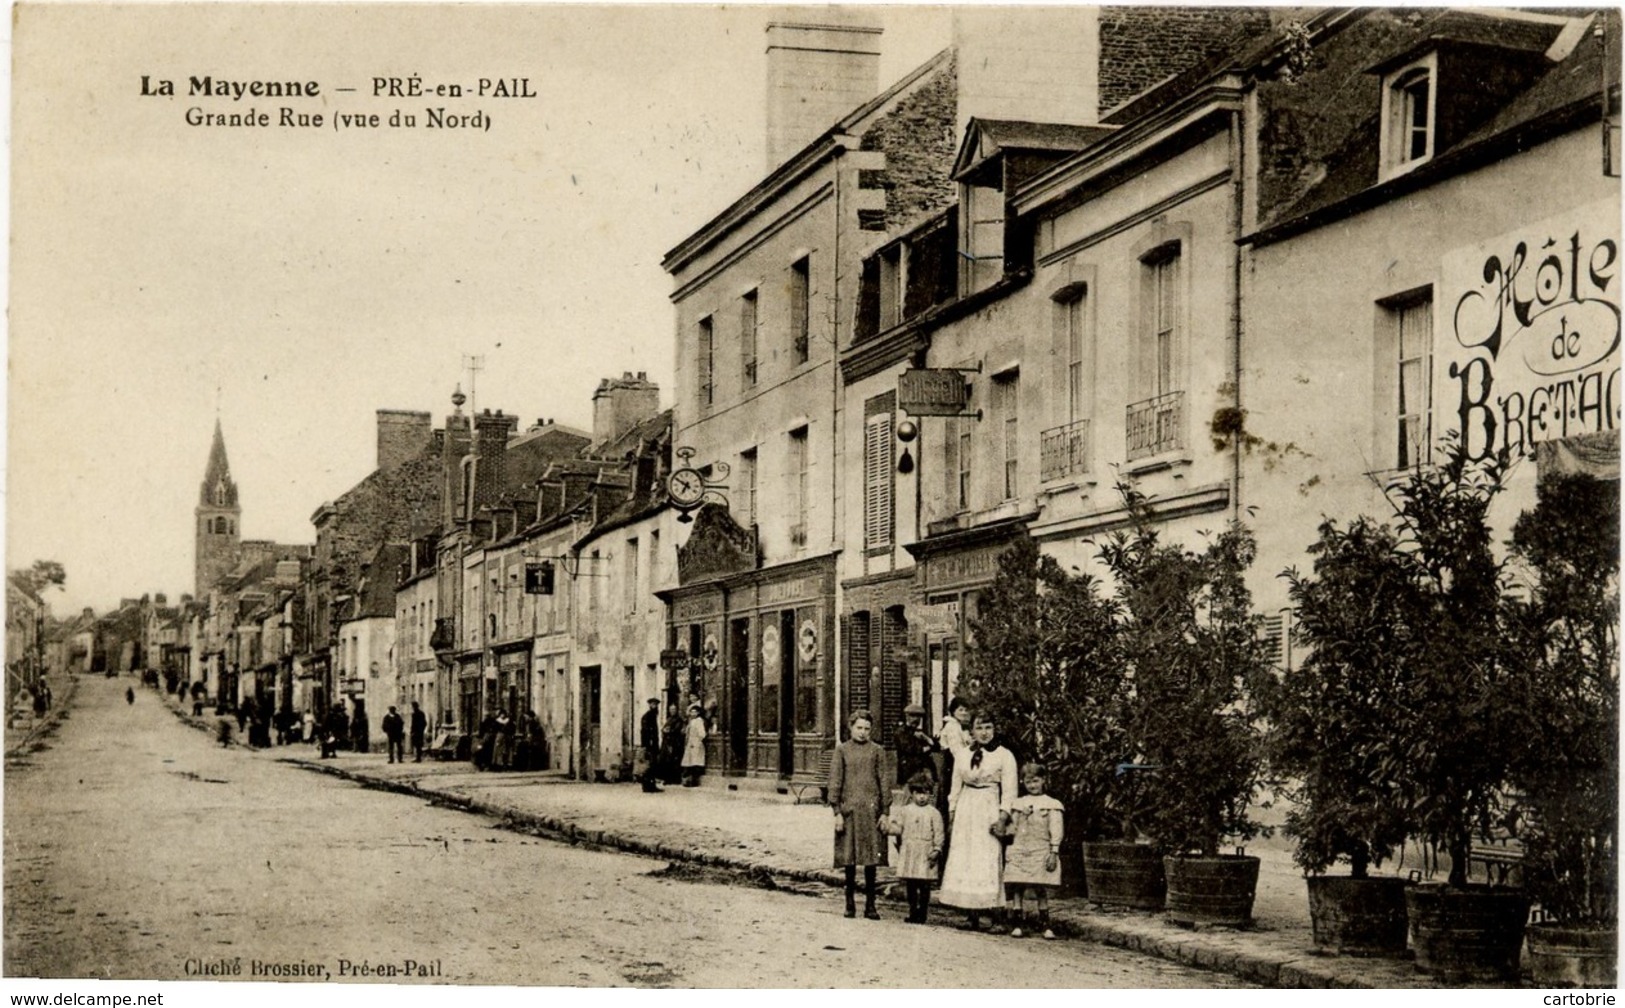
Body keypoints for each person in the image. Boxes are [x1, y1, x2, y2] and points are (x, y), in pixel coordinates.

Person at [939, 712, 1018, 931]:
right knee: (966, 858)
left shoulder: (1004, 755)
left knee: (988, 857)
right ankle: (971, 914)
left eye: (988, 727)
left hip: (988, 806)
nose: (984, 733)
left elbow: (1010, 790)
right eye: (980, 728)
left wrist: (1002, 817)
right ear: (971, 730)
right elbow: (955, 787)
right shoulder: (963, 755)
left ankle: (996, 916)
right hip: (966, 808)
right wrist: (952, 816)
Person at [828, 709, 890, 919]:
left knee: (871, 859)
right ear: (851, 728)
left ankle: (871, 905)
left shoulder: (877, 751)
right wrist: (836, 811)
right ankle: (849, 903)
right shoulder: (842, 751)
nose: (863, 732)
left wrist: (885, 812)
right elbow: (835, 782)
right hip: (849, 812)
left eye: (867, 729)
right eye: (859, 728)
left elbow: (884, 781)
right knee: (850, 859)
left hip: (871, 813)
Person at [1004, 763, 1065, 939]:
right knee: (1018, 886)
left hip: (1040, 848)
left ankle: (1045, 925)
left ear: (1043, 781)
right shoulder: (1018, 803)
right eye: (1028, 782)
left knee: (1040, 887)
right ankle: (1017, 923)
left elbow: (1056, 828)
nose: (1032, 786)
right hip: (1020, 848)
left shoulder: (1052, 804)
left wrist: (1054, 851)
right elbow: (1011, 829)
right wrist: (1019, 815)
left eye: (1036, 781)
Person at [885, 774, 945, 924]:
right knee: (911, 884)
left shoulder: (933, 813)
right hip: (910, 850)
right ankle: (913, 911)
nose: (922, 797)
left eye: (925, 793)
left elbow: (939, 833)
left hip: (926, 851)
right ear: (912, 794)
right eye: (918, 793)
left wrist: (937, 849)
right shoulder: (906, 811)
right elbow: (898, 828)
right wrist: (888, 828)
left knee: (924, 885)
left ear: (930, 794)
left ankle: (922, 913)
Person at [895, 703, 937, 787]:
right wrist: (929, 747)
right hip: (909, 771)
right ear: (907, 716)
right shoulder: (901, 732)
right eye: (913, 716)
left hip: (923, 771)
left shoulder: (921, 732)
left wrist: (926, 738)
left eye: (918, 717)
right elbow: (911, 749)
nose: (916, 719)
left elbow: (937, 746)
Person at [680, 703, 707, 787]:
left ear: (698, 713)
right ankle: (689, 781)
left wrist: (696, 741)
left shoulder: (699, 721)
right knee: (690, 762)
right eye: (691, 712)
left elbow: (702, 733)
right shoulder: (692, 721)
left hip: (695, 743)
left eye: (695, 712)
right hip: (691, 743)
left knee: (694, 762)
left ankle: (693, 781)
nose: (693, 714)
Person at [639, 697, 663, 792]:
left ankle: (650, 785)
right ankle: (648, 786)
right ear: (649, 705)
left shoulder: (653, 715)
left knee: (652, 765)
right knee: (650, 765)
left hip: (653, 743)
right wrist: (647, 744)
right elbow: (644, 731)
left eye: (656, 704)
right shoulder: (648, 716)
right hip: (650, 744)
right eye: (653, 704)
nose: (654, 706)